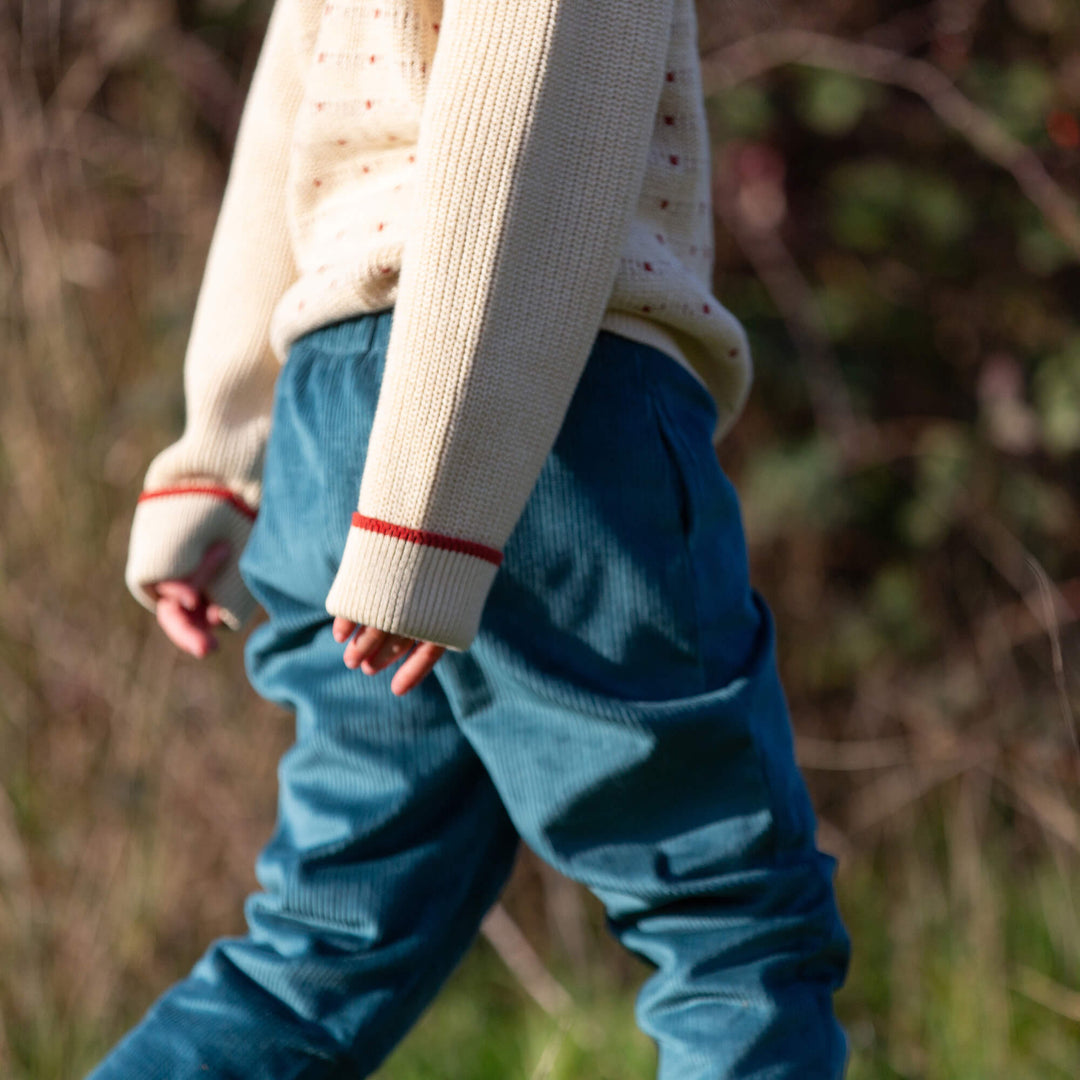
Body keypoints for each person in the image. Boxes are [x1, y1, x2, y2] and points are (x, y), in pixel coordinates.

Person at [90, 0, 852, 1076]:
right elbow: (530, 118)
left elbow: (284, 118)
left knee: (324, 947)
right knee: (733, 932)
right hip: (542, 408)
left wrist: (216, 450)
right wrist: (427, 514)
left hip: (336, 408)